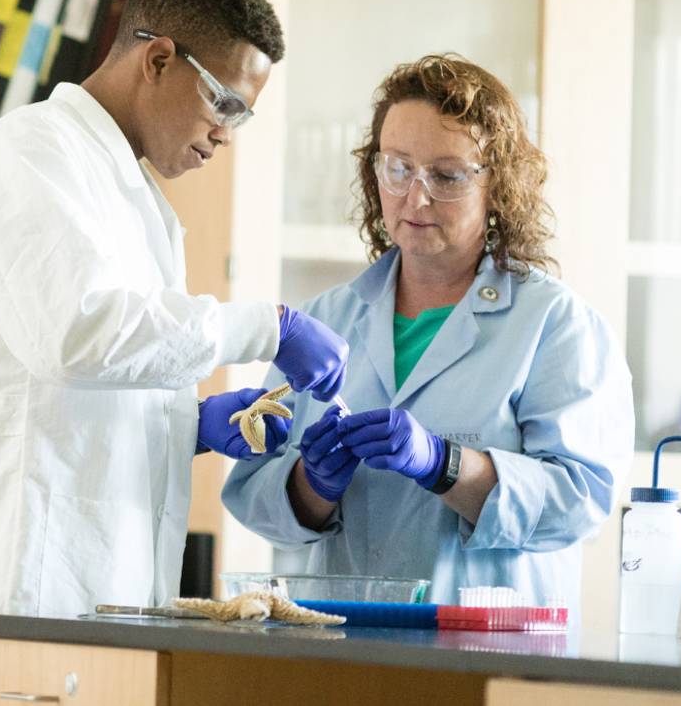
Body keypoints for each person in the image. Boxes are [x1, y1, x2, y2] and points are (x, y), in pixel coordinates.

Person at [0, 0, 349, 706]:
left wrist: (181, 424)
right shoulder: (31, 151)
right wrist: (268, 326)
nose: (227, 135)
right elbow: (74, 331)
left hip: (92, 590)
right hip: (17, 580)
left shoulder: (127, 190)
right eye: (225, 104)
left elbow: (90, 379)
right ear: (158, 58)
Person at [223, 54, 634, 606]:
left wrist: (446, 465)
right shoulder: (326, 321)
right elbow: (253, 493)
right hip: (350, 648)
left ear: (498, 185)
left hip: (490, 655)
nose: (416, 197)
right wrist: (312, 485)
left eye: (446, 175)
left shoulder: (555, 325)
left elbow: (580, 501)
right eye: (397, 167)